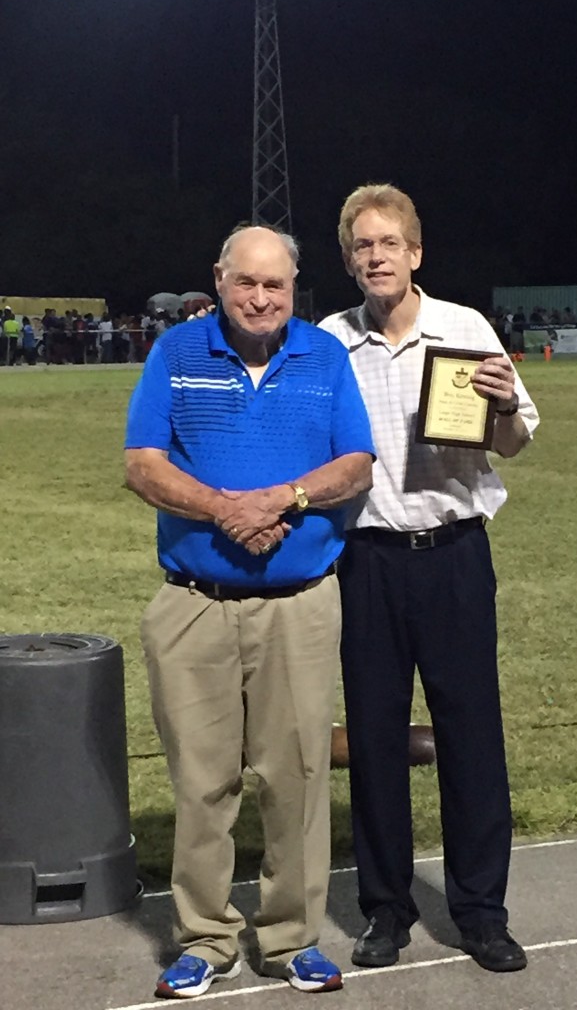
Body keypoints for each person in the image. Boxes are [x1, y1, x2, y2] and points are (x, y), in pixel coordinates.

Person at [124, 225, 374, 999]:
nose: (260, 298)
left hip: (300, 605)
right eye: (246, 283)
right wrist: (225, 509)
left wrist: (283, 498)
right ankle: (203, 937)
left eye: (276, 285)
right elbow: (142, 464)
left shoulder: (324, 357)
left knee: (296, 777)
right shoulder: (176, 353)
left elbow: (356, 463)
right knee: (201, 783)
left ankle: (291, 937)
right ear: (219, 281)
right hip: (195, 603)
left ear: (294, 288)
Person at [319, 184, 539, 975]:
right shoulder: (328, 341)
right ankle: (386, 909)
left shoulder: (465, 329)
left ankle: (482, 913)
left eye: (389, 243)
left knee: (471, 736)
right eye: (361, 247)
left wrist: (506, 402)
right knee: (375, 738)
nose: (375, 257)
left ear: (416, 252)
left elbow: (513, 442)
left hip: (452, 555)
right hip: (366, 562)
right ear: (349, 260)